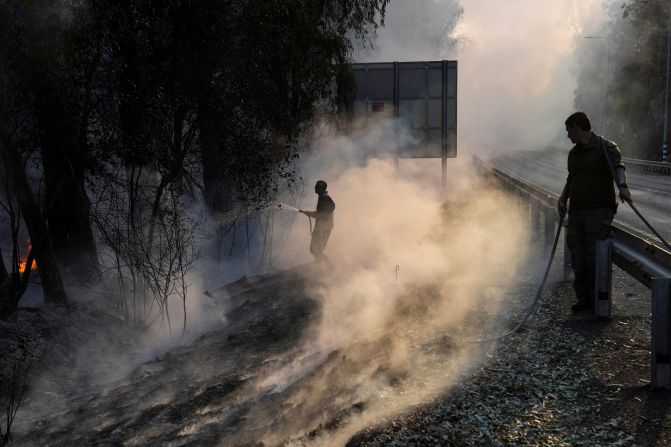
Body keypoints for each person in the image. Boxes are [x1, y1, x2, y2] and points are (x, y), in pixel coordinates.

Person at [558, 112, 632, 312]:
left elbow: (618, 167)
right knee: (578, 258)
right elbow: (571, 179)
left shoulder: (605, 146)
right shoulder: (574, 154)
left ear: (577, 128)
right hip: (577, 212)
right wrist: (563, 198)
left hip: (599, 211)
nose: (567, 136)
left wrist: (623, 186)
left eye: (568, 131)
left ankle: (598, 302)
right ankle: (584, 300)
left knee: (593, 257)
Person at [299, 180, 335, 263]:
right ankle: (322, 266)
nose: (315, 187)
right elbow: (322, 213)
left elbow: (329, 209)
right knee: (315, 249)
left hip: (323, 229)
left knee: (316, 249)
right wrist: (311, 213)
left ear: (321, 188)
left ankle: (327, 267)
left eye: (317, 186)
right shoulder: (323, 197)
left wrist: (312, 214)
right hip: (321, 228)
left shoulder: (325, 198)